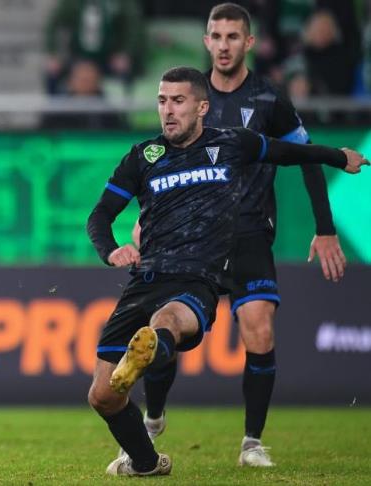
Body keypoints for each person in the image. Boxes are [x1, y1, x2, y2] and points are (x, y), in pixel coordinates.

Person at [86, 65, 366, 477]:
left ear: (202, 107)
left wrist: (339, 157)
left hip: (198, 279)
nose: (168, 110)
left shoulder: (233, 144)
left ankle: (154, 355)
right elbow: (99, 217)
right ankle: (146, 462)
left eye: (178, 101)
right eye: (162, 101)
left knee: (166, 321)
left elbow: (291, 154)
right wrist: (111, 251)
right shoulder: (143, 156)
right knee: (101, 397)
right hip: (145, 279)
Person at [130, 3, 349, 468]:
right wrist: (144, 217)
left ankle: (252, 442)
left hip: (248, 233)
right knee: (164, 330)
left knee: (260, 329)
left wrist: (325, 229)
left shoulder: (269, 99)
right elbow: (162, 158)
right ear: (206, 41)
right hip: (189, 239)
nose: (224, 44)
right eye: (216, 35)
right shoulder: (187, 94)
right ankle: (152, 419)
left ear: (248, 42)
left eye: (233, 36)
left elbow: (305, 155)